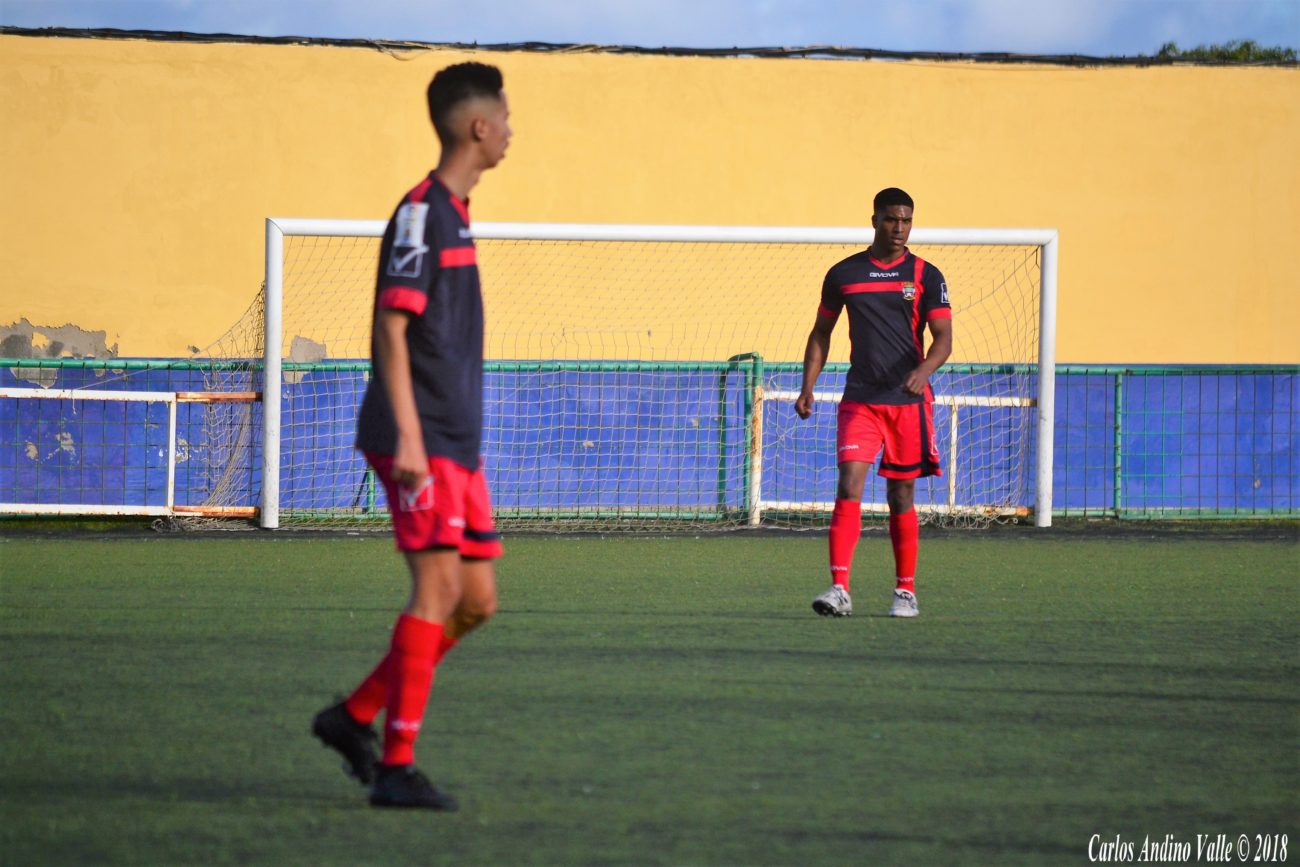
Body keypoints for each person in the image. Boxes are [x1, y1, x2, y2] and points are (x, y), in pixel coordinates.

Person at [311, 62, 512, 810]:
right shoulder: (421, 213)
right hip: (419, 438)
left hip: (456, 440)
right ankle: (396, 765)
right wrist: (408, 438)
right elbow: (390, 327)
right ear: (478, 127)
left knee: (477, 600)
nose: (512, 132)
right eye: (506, 118)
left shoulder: (455, 213)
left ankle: (353, 715)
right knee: (438, 590)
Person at [795, 187, 952, 619]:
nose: (899, 228)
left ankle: (905, 591)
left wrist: (924, 371)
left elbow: (943, 338)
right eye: (891, 219)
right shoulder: (844, 273)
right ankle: (839, 588)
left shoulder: (926, 275)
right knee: (849, 484)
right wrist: (808, 386)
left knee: (901, 495)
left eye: (906, 220)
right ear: (875, 220)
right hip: (861, 400)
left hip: (908, 403)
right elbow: (821, 332)